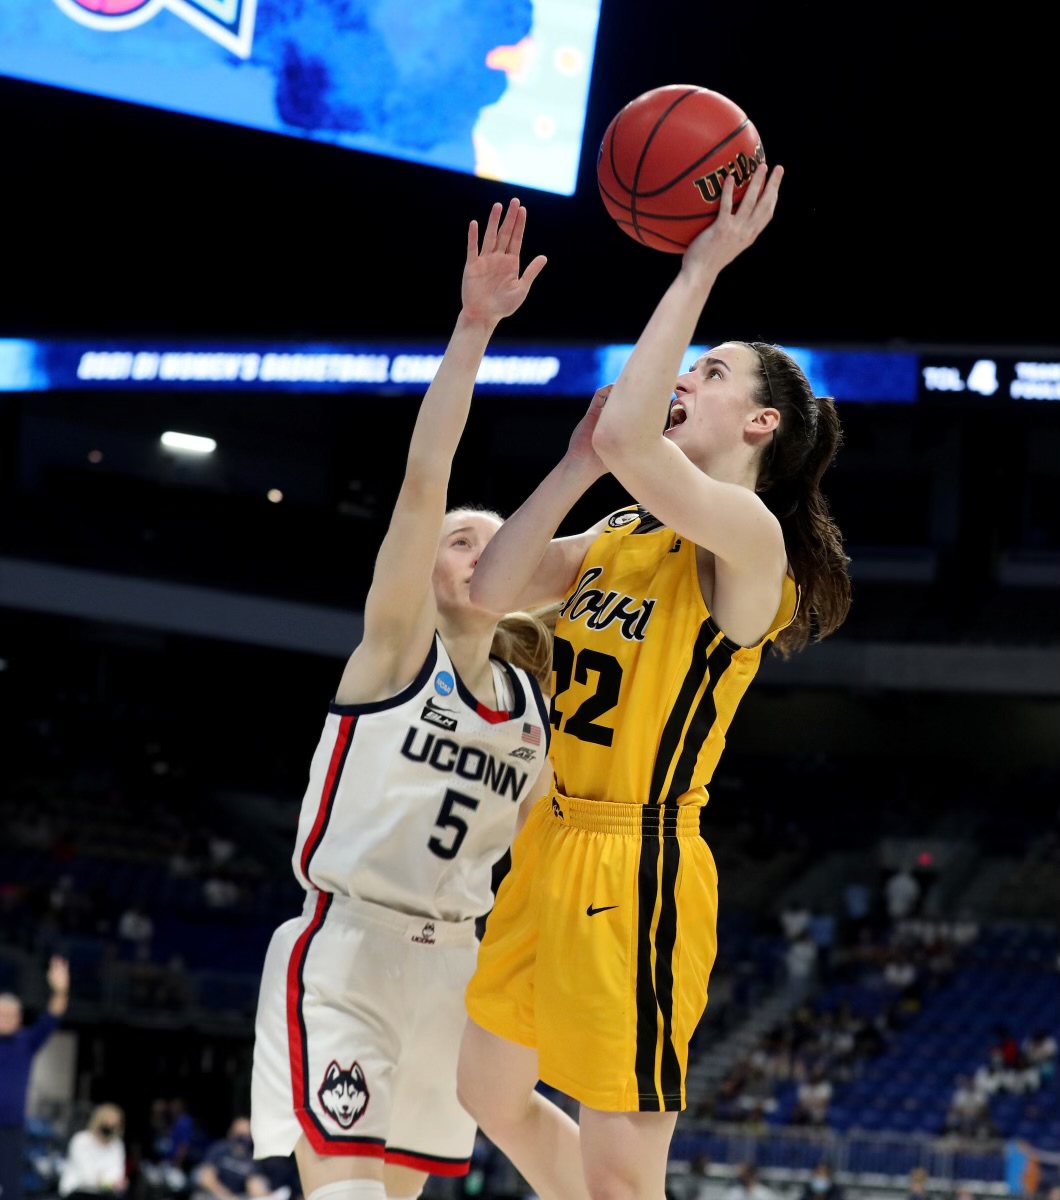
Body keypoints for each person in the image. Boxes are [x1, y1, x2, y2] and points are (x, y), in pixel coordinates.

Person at [457, 161, 852, 1200]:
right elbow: (493, 586)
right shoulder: (628, 526)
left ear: (761, 424)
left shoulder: (749, 539)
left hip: (637, 864)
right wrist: (581, 463)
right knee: (486, 1090)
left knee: (624, 1165)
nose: (688, 377)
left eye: (713, 373)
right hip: (550, 832)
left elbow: (639, 434)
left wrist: (700, 266)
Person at [249, 197, 555, 1200]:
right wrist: (472, 331)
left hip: (457, 974)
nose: (475, 548)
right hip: (349, 944)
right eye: (459, 541)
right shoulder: (391, 655)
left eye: (492, 539)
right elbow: (425, 483)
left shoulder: (534, 705)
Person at [0, 956, 70, 1200]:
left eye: (11, 1015)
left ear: (19, 1019)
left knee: (11, 1189)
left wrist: (61, 990)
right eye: (1, 1014)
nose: (6, 1019)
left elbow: (51, 1018)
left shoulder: (25, 1042)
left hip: (11, 1127)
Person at [58, 1103, 127, 1200]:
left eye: (113, 1126)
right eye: (106, 1124)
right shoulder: (81, 1140)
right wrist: (108, 1183)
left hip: (104, 1194)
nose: (109, 1128)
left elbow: (117, 1175)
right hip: (77, 1192)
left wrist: (107, 1183)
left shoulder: (117, 1145)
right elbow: (87, 1178)